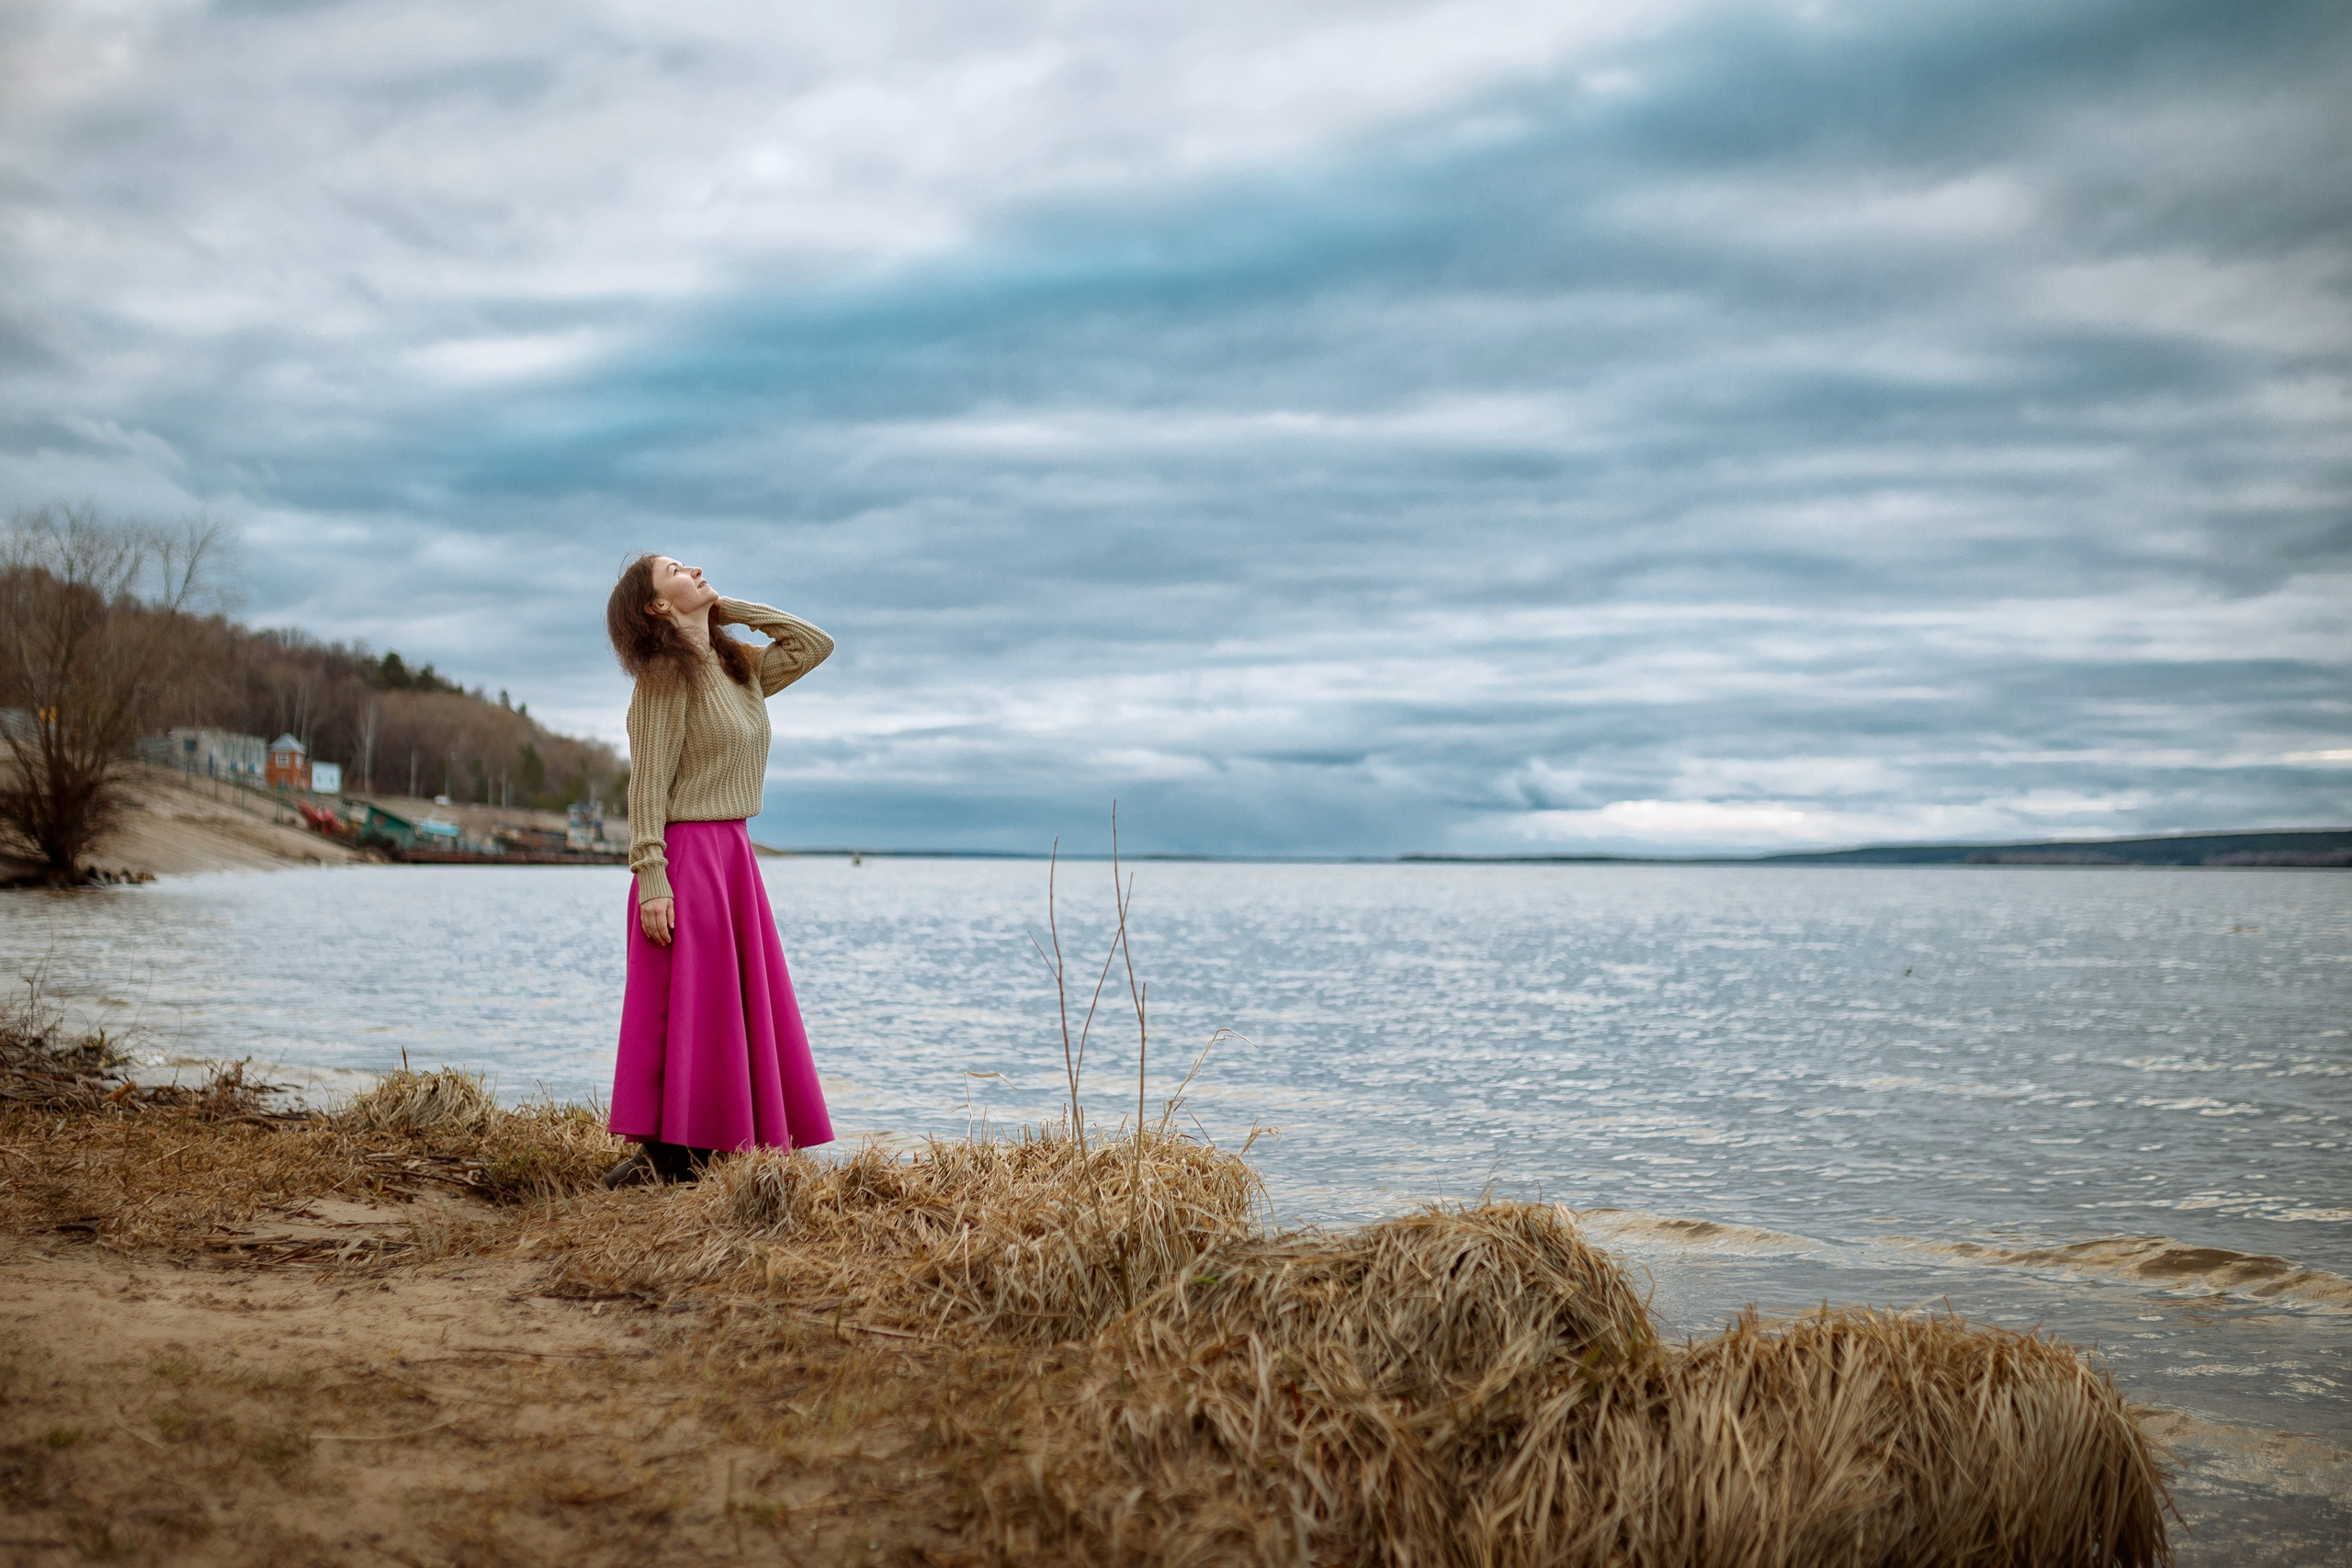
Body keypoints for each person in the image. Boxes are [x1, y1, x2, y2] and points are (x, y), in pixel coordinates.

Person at [597, 553, 836, 1187]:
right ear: (657, 606)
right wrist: (652, 879)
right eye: (676, 569)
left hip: (734, 855)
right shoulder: (662, 680)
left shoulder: (739, 668)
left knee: (730, 1009)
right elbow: (646, 787)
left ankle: (718, 1148)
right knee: (683, 1011)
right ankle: (664, 1159)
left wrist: (729, 613)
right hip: (686, 859)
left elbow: (814, 644)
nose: (695, 567)